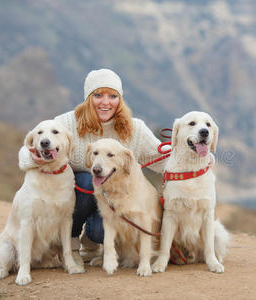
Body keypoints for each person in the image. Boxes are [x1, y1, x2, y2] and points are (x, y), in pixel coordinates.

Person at [18, 68, 167, 260]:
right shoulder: (67, 123)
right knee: (86, 180)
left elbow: (162, 158)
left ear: (119, 99)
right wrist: (33, 158)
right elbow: (29, 146)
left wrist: (199, 156)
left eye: (112, 96)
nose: (105, 102)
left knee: (100, 233)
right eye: (98, 95)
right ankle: (69, 246)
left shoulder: (135, 128)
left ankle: (91, 240)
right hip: (79, 194)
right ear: (88, 97)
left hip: (115, 199)